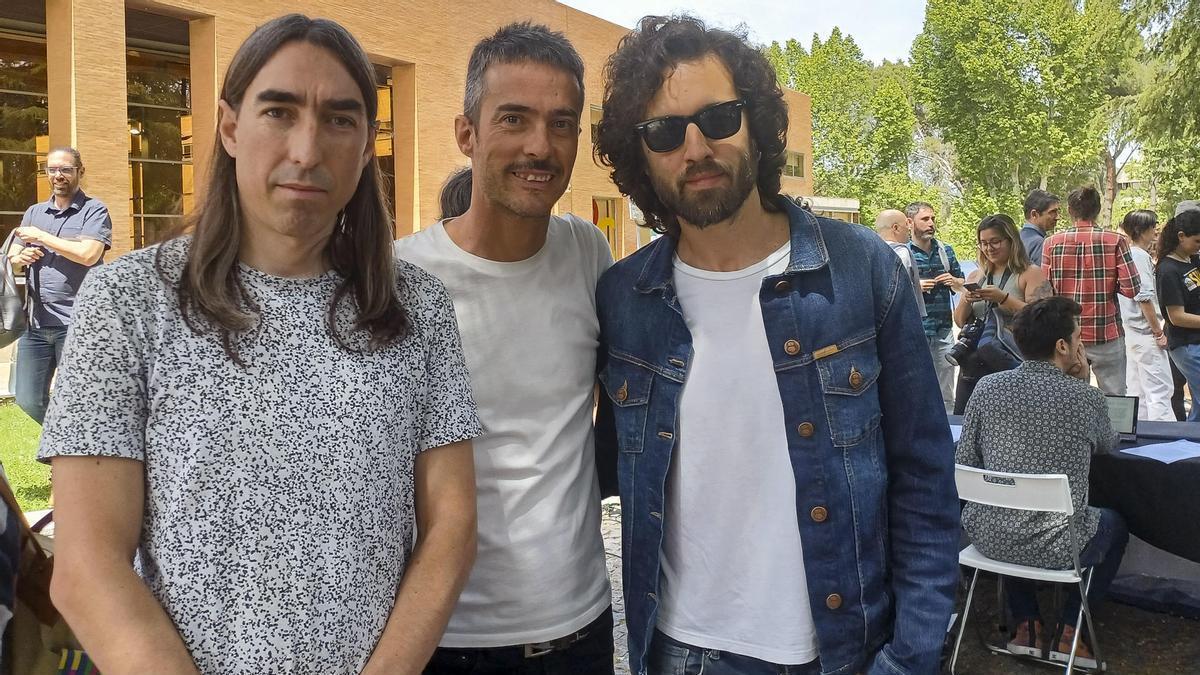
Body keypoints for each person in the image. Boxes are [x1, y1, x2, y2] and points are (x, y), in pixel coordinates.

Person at [39, 15, 481, 673]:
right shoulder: (128, 303)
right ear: (229, 126)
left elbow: (452, 527)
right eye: (279, 111)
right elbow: (85, 566)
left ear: (365, 148)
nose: (306, 149)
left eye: (340, 119)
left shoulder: (414, 308)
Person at [594, 15, 959, 675]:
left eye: (719, 117)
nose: (696, 146)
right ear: (640, 152)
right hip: (681, 653)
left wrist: (910, 657)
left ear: (756, 125)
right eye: (665, 131)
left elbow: (927, 480)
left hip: (840, 652)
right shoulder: (624, 299)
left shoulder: (862, 270)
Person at [395, 23, 615, 675]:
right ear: (467, 132)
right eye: (514, 119)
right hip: (445, 636)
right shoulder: (400, 279)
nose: (539, 146)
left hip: (583, 630)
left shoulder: (589, 255)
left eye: (561, 123)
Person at [957, 296, 1128, 670]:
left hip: (986, 537)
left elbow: (965, 462)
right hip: (1057, 548)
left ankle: (1026, 624)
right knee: (1114, 524)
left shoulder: (986, 388)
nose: (1081, 344)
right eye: (1078, 336)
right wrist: (1083, 381)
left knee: (1010, 514)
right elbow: (1109, 444)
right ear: (1063, 346)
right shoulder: (1085, 398)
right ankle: (1070, 628)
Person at [7, 147, 112, 424]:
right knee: (27, 398)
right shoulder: (34, 212)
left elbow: (89, 254)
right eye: (52, 169)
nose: (58, 175)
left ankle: (73, 458)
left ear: (80, 171)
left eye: (65, 169)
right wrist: (21, 256)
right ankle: (66, 448)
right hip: (36, 324)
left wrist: (41, 237)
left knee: (78, 398)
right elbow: (13, 257)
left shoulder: (94, 210)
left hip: (77, 323)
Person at [1042, 186, 1142, 395]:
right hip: (1107, 332)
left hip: (1068, 335)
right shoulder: (1116, 241)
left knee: (1072, 400)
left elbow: (1045, 293)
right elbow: (1132, 289)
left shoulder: (1051, 243)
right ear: (1097, 210)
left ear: (1070, 210)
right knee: (1115, 400)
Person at [951, 214, 1052, 413]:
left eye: (995, 242)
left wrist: (1003, 299)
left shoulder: (1031, 273)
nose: (989, 248)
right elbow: (960, 321)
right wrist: (966, 299)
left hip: (1012, 364)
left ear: (1011, 240)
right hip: (973, 367)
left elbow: (1043, 319)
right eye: (983, 243)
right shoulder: (976, 275)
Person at [906, 200, 965, 412]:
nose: (931, 223)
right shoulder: (903, 252)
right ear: (909, 223)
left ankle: (947, 436)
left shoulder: (945, 251)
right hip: (914, 333)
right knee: (913, 390)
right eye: (925, 219)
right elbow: (890, 290)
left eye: (932, 219)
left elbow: (963, 285)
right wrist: (915, 287)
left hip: (943, 332)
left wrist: (955, 281)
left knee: (946, 393)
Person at [1118, 210, 1173, 421]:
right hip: (1145, 332)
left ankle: (1139, 436)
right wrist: (1158, 332)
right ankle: (1166, 440)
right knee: (1159, 389)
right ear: (1142, 230)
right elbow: (1144, 298)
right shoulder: (1139, 256)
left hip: (1132, 332)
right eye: (1153, 227)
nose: (1155, 231)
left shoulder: (1127, 255)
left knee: (1138, 390)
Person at [1155, 209, 1200, 422]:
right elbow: (1177, 317)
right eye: (1197, 241)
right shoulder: (1168, 270)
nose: (1199, 246)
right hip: (1186, 345)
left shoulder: (1192, 260)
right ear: (1181, 236)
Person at [874, 209, 925, 317]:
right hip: (901, 318)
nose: (909, 228)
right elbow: (899, 289)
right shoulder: (901, 252)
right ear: (895, 228)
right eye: (906, 224)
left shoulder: (869, 252)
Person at [1020, 189, 1060, 266]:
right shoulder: (1040, 243)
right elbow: (1042, 276)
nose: (1057, 217)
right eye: (1052, 212)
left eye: (1057, 212)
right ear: (1034, 214)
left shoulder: (1015, 238)